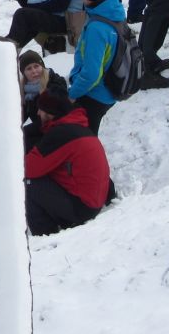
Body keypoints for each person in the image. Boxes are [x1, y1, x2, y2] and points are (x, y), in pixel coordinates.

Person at [23, 91, 111, 235]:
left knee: (27, 182)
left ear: (50, 113)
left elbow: (29, 168)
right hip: (93, 200)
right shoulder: (76, 125)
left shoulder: (61, 134)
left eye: (41, 109)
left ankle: (45, 235)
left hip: (82, 208)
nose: (38, 113)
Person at [64, 0, 125, 134]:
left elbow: (92, 73)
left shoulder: (97, 28)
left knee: (84, 138)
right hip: (110, 88)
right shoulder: (113, 12)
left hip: (95, 94)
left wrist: (72, 94)